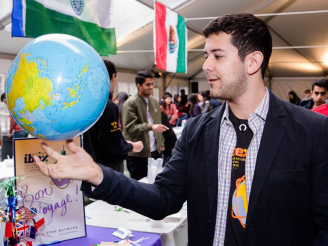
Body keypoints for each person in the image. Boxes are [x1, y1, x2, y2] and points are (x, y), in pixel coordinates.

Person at [35, 13, 328, 246]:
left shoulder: (312, 131)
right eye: (205, 55)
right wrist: (98, 175)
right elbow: (163, 199)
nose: (207, 66)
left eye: (217, 55)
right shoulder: (197, 131)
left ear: (252, 62)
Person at [83, 60, 143, 173]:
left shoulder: (87, 104)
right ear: (113, 76)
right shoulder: (107, 106)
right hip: (109, 167)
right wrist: (131, 147)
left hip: (91, 163)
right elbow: (111, 143)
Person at [122, 71, 168, 180]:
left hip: (155, 152)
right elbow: (130, 128)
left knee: (155, 183)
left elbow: (158, 125)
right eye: (148, 84)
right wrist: (151, 127)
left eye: (152, 84)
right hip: (138, 154)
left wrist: (161, 143)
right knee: (139, 185)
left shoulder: (154, 102)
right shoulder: (130, 103)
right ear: (139, 85)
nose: (151, 87)